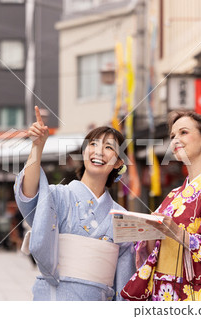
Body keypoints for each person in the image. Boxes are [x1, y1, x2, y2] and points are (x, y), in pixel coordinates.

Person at [14, 106, 135, 301]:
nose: (99, 151)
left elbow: (124, 283)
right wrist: (37, 147)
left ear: (119, 162)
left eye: (109, 147)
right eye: (93, 144)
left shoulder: (122, 217)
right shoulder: (59, 196)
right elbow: (29, 193)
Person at [121, 111, 201, 301]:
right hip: (163, 290)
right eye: (172, 136)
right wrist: (146, 233)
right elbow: (153, 248)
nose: (176, 139)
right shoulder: (173, 195)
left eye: (183, 132)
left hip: (192, 292)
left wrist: (177, 233)